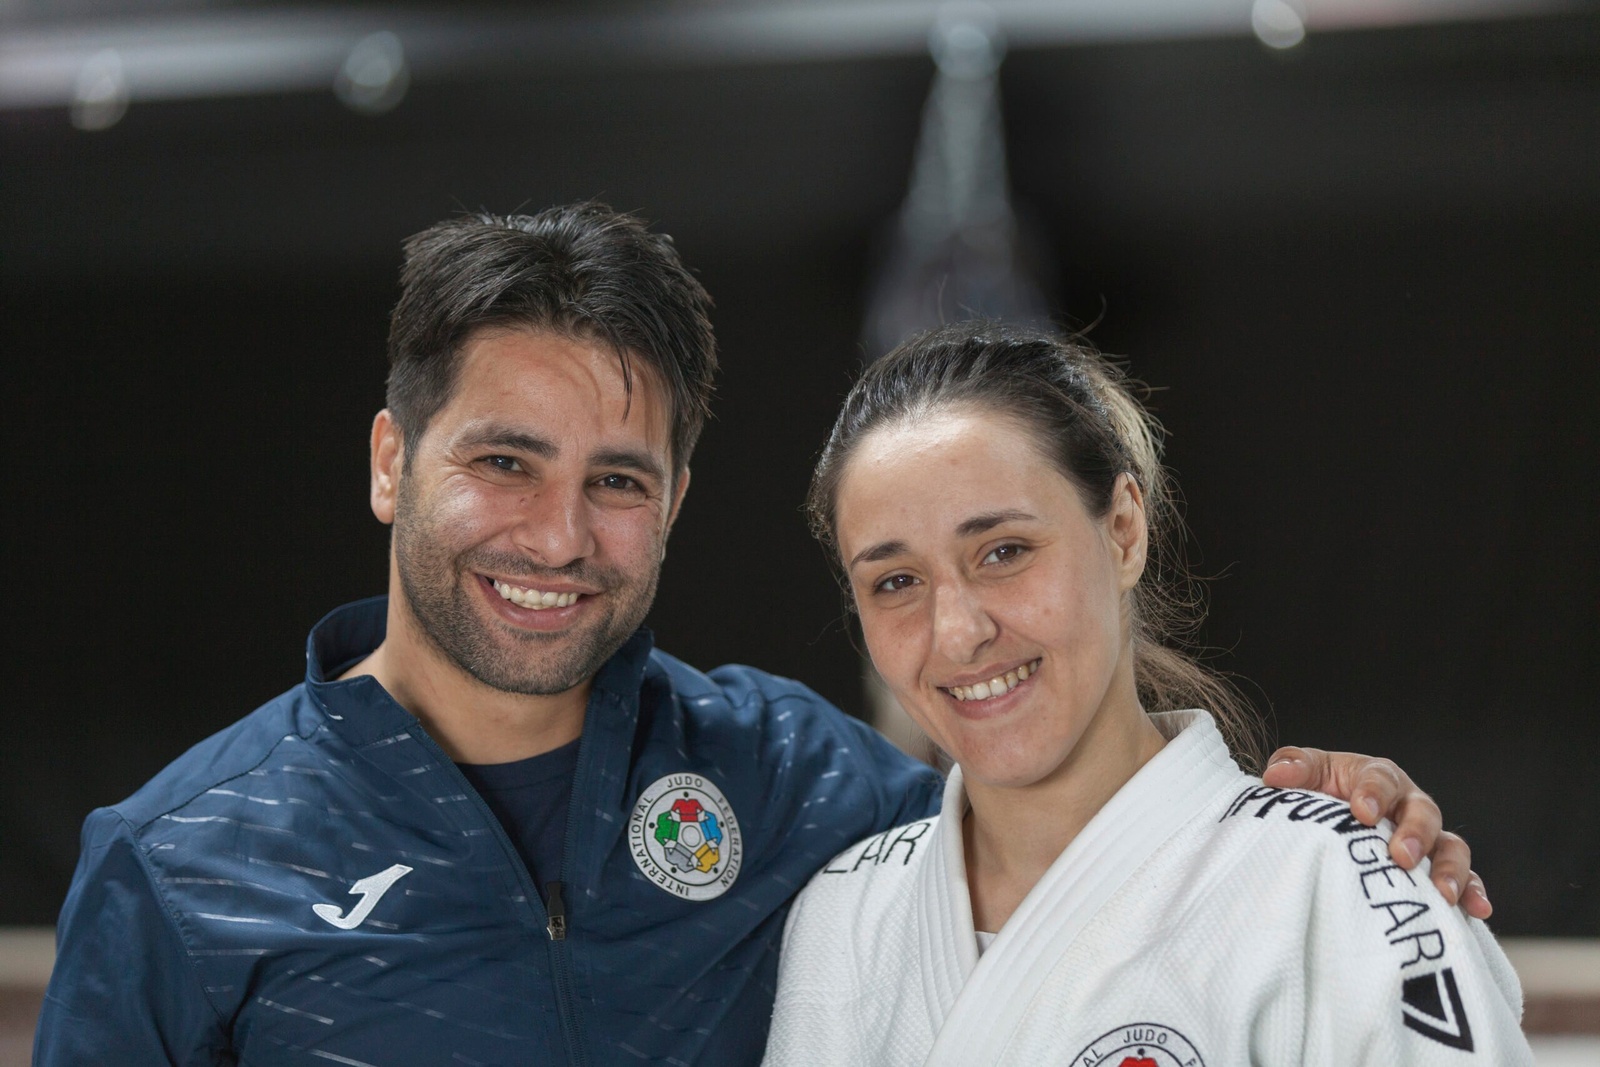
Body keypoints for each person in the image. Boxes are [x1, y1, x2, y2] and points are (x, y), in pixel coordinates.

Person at [37, 204, 1485, 1067]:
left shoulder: (790, 778)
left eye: (617, 480)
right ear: (388, 462)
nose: (557, 535)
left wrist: (1319, 823)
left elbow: (1076, 813)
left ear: (673, 502)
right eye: (503, 461)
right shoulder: (181, 863)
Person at [763, 321, 1530, 1065]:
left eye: (1004, 551)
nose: (958, 633)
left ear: (1125, 529)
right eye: (896, 581)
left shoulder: (1337, 886)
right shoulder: (842, 914)